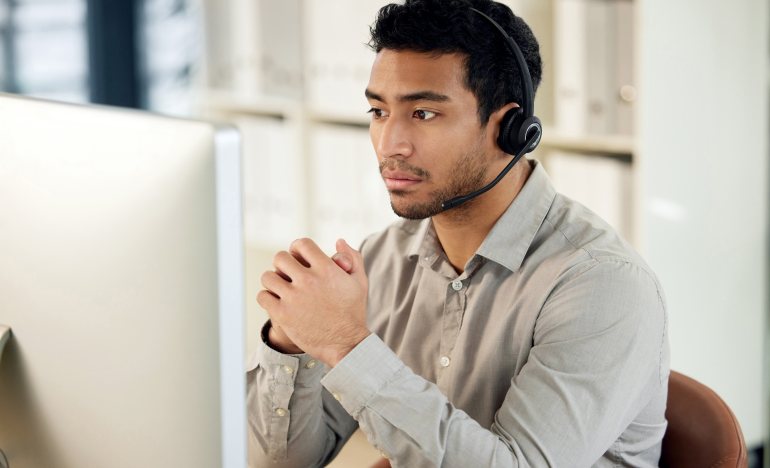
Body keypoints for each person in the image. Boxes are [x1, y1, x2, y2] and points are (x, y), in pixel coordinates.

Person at [246, 0, 670, 467]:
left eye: (423, 113)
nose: (389, 145)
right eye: (378, 111)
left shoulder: (602, 284)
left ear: (510, 129)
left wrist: (348, 345)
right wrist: (292, 339)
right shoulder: (383, 259)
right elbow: (284, 463)